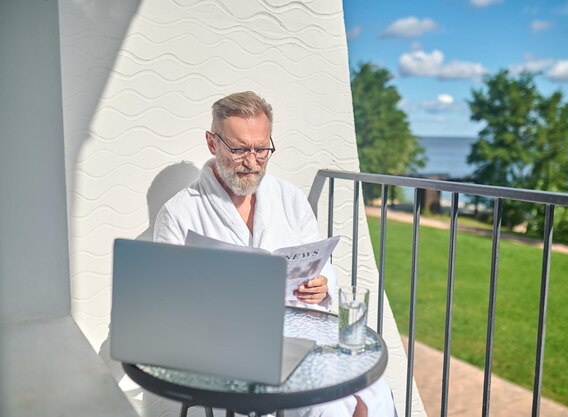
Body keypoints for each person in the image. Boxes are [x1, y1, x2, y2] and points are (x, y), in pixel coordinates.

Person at [153, 91, 396, 416]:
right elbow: (167, 301)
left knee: (373, 392)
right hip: (230, 346)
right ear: (213, 144)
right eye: (239, 149)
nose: (252, 162)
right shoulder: (180, 212)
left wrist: (321, 283)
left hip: (300, 334)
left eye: (261, 149)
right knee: (329, 405)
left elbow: (322, 264)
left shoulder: (289, 198)